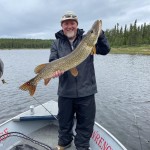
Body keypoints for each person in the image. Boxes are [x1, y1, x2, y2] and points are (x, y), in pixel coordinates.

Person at [49, 11, 110, 150]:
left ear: (77, 25)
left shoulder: (87, 41)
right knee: (64, 122)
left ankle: (82, 147)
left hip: (86, 91)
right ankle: (64, 143)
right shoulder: (56, 43)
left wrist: (99, 34)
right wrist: (54, 71)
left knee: (85, 124)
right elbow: (52, 60)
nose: (69, 26)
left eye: (72, 23)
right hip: (65, 92)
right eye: (66, 24)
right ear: (62, 26)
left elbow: (105, 49)